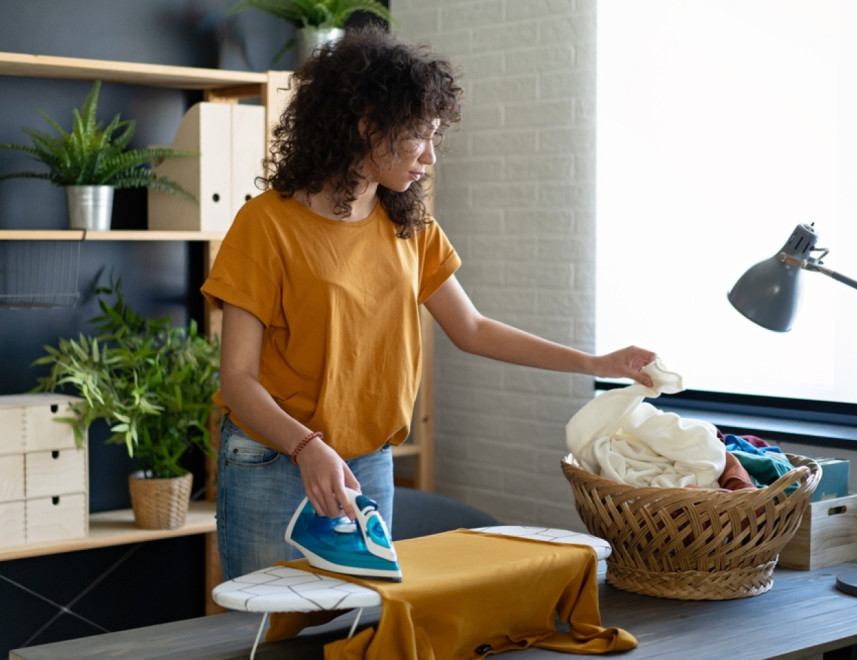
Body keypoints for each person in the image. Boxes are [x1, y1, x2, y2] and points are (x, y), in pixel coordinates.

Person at [201, 25, 657, 581]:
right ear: (368, 124)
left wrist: (597, 364)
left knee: (360, 631)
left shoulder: (409, 227)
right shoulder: (266, 225)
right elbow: (238, 380)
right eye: (420, 135)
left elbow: (474, 328)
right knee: (267, 637)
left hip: (367, 462)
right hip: (274, 459)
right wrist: (306, 448)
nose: (431, 157)